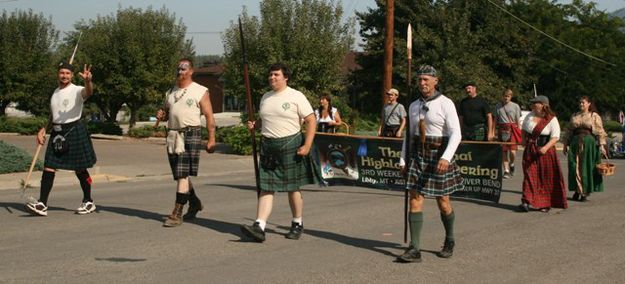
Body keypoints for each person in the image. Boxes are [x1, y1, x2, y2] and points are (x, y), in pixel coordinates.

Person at [241, 63, 320, 242]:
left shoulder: (296, 96)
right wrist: (256, 125)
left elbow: (311, 120)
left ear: (286, 77)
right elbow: (266, 120)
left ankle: (297, 222)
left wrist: (307, 146)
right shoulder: (265, 97)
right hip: (269, 147)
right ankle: (259, 226)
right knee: (266, 187)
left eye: (276, 75)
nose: (272, 78)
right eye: (270, 75)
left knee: (293, 188)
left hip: (291, 145)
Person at [397, 65, 464, 263]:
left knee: (443, 202)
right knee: (415, 199)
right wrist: (403, 159)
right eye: (420, 80)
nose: (423, 83)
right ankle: (415, 248)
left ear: (436, 81)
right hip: (419, 155)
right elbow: (409, 137)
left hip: (439, 155)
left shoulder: (446, 103)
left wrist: (446, 157)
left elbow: (456, 134)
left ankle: (450, 240)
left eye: (426, 80)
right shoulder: (413, 105)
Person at [26, 61, 97, 216]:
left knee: (80, 168)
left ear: (72, 75)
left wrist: (88, 80)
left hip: (74, 130)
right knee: (49, 166)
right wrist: (44, 129)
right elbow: (54, 115)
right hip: (57, 133)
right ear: (58, 74)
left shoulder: (77, 90)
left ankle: (88, 201)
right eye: (62, 73)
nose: (64, 76)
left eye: (67, 73)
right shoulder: (55, 92)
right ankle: (42, 204)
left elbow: (89, 92)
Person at [156, 58, 216, 227]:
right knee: (180, 173)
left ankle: (177, 212)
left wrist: (211, 138)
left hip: (190, 133)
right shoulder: (171, 92)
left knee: (182, 174)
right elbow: (168, 113)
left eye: (183, 69)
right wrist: (162, 116)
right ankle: (195, 202)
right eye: (178, 69)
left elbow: (210, 116)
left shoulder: (200, 91)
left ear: (191, 71)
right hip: (173, 135)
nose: (180, 72)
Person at [519, 95, 567, 213]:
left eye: (535, 103)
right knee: (529, 174)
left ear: (543, 105)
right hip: (531, 149)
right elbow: (524, 130)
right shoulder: (529, 116)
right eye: (533, 103)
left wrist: (545, 148)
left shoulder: (551, 119)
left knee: (545, 177)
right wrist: (523, 140)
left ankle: (545, 203)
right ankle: (526, 201)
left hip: (545, 151)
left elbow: (555, 137)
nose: (533, 105)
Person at [562, 96, 607, 202]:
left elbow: (600, 131)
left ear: (589, 104)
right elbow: (568, 131)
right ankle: (577, 190)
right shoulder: (575, 116)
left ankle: (584, 191)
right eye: (580, 103)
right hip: (575, 143)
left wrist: (601, 146)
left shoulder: (594, 116)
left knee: (586, 167)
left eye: (583, 102)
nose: (581, 104)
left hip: (589, 143)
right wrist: (565, 145)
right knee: (574, 166)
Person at [493, 89, 522, 179]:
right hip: (502, 129)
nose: (506, 98)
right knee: (504, 151)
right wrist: (493, 132)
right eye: (505, 96)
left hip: (512, 128)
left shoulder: (515, 106)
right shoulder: (498, 106)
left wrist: (519, 131)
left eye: (508, 96)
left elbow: (517, 120)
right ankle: (506, 170)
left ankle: (512, 164)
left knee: (512, 151)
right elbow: (495, 120)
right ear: (502, 96)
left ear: (511, 97)